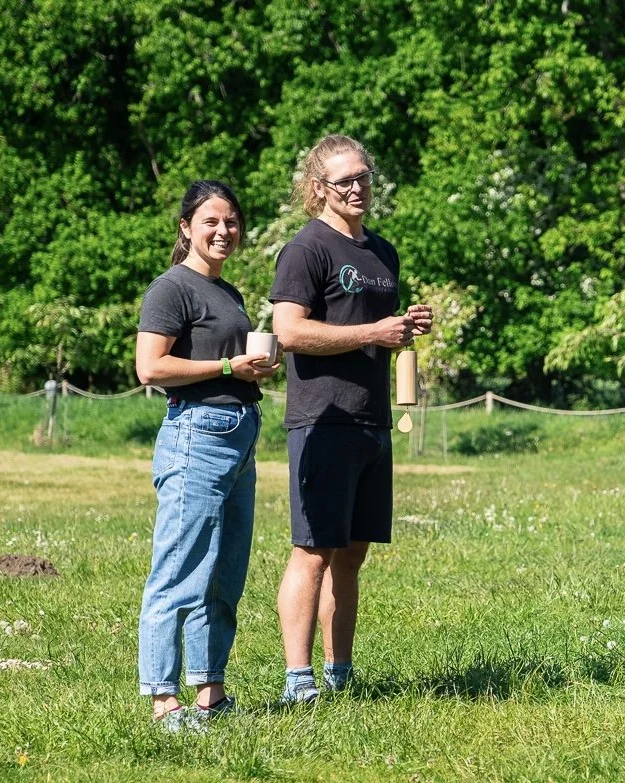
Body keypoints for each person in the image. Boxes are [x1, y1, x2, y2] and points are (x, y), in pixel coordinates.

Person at [269, 135, 433, 703]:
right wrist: (372, 332)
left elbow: (371, 327)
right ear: (319, 189)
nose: (359, 188)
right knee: (312, 549)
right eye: (346, 181)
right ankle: (298, 681)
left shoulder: (382, 252)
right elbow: (289, 332)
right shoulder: (305, 249)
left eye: (364, 177)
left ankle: (340, 673)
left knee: (353, 553)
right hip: (321, 418)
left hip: (372, 420)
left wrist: (402, 328)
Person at [136, 180, 280, 730]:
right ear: (186, 228)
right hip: (197, 433)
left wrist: (254, 367)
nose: (224, 231)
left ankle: (210, 694)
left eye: (232, 222)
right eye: (211, 222)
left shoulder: (230, 293)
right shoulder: (171, 288)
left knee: (224, 572)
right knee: (178, 570)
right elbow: (150, 369)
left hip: (240, 433)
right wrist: (226, 369)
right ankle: (163, 699)